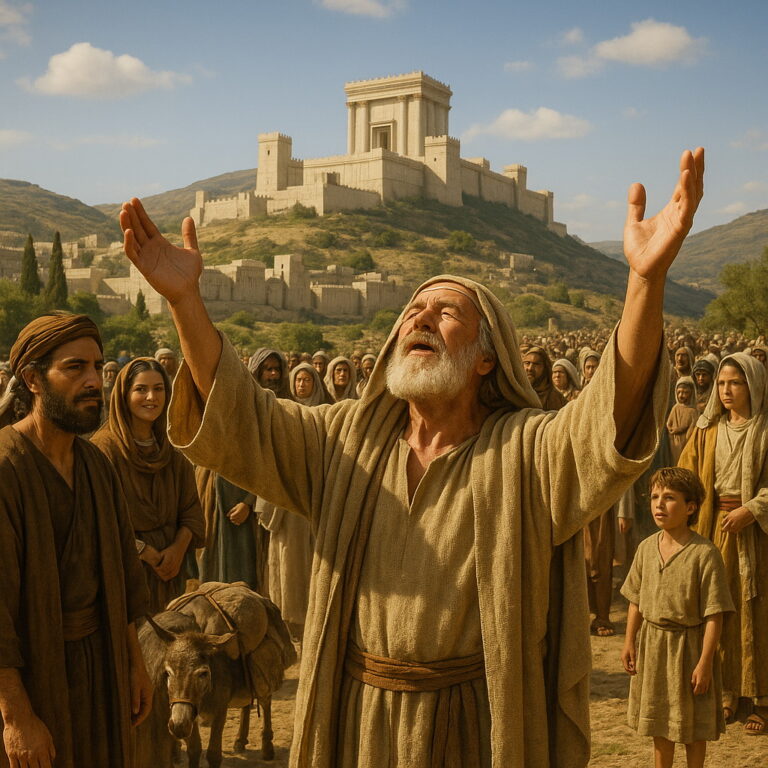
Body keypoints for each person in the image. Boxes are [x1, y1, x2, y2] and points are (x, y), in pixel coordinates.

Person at [119, 146, 704, 768]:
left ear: (487, 358)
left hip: (474, 722)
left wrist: (645, 284)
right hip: (357, 717)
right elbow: (243, 417)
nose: (420, 319)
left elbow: (608, 419)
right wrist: (186, 303)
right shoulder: (342, 441)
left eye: (446, 313)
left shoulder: (526, 450)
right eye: (413, 312)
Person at [0, 313, 152, 768]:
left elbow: (123, 575)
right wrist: (16, 715)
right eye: (75, 368)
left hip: (102, 667)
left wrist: (134, 664)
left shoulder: (96, 465)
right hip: (32, 674)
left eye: (98, 367)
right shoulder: (6, 468)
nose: (94, 381)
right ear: (33, 380)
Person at [678, 353, 768, 734]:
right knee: (720, 607)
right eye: (721, 384)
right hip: (715, 527)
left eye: (735, 383)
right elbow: (686, 474)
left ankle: (761, 700)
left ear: (753, 385)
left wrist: (753, 509)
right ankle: (728, 691)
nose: (726, 390)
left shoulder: (764, 429)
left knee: (757, 610)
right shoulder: (707, 430)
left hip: (757, 534)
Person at [621, 467, 734, 768]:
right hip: (654, 647)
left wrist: (705, 662)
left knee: (693, 727)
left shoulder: (705, 554)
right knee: (660, 725)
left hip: (690, 649)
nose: (659, 504)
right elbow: (635, 600)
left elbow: (715, 614)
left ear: (690, 507)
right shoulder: (646, 548)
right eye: (654, 497)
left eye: (669, 498)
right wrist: (630, 641)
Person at [91, 358, 205, 614]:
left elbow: (191, 510)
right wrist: (144, 552)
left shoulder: (172, 448)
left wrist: (177, 550)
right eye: (141, 389)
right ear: (124, 395)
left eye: (158, 388)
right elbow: (98, 521)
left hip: (170, 572)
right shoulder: (104, 450)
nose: (151, 397)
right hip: (124, 571)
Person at [522, 346, 566, 410]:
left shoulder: (555, 397)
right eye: (527, 363)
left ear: (545, 368)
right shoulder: (517, 392)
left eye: (536, 364)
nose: (530, 368)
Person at [667, 377, 698, 463]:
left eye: (685, 392)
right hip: (673, 440)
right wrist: (670, 428)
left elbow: (692, 429)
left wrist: (680, 430)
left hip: (685, 441)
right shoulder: (675, 408)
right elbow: (669, 422)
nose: (681, 395)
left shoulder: (693, 411)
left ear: (691, 393)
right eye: (679, 392)